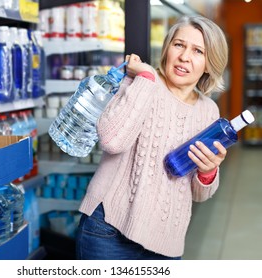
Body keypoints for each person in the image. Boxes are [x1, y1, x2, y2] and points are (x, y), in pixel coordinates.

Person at [75, 15, 229, 260]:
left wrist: (208, 172)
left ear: (210, 64)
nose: (184, 57)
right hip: (108, 229)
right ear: (167, 48)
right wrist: (145, 79)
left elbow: (200, 195)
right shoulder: (142, 81)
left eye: (198, 51)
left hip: (165, 239)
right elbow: (112, 140)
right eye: (179, 45)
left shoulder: (208, 110)